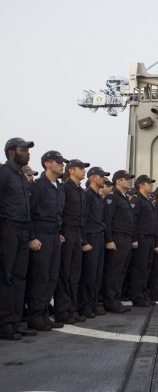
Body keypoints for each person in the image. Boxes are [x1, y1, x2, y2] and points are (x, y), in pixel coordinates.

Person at [27, 150, 67, 332]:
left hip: (53, 235)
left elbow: (57, 214)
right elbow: (31, 213)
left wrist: (57, 232)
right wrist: (32, 237)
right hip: (41, 235)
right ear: (47, 164)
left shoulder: (58, 186)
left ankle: (44, 314)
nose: (62, 165)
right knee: (40, 277)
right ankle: (35, 316)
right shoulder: (39, 186)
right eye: (58, 162)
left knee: (52, 277)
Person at [0, 137, 36, 340]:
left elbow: (28, 210)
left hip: (23, 231)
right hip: (7, 229)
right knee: (6, 277)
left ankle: (15, 321)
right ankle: (4, 323)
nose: (28, 153)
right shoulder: (3, 174)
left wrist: (30, 235)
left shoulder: (22, 178)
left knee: (19, 277)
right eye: (24, 149)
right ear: (11, 152)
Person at [55, 159, 90, 324]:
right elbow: (60, 211)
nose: (84, 171)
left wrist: (82, 238)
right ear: (71, 170)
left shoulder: (80, 191)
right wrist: (60, 232)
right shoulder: (65, 188)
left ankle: (72, 309)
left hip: (78, 233)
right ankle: (62, 311)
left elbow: (83, 218)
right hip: (67, 232)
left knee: (75, 274)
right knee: (65, 273)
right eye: (81, 168)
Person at [102, 170, 137, 313]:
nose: (130, 181)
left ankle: (116, 299)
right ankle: (110, 301)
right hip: (117, 238)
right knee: (114, 271)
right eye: (126, 179)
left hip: (126, 239)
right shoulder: (112, 198)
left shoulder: (123, 198)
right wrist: (109, 239)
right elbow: (107, 220)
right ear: (118, 181)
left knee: (122, 270)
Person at [78, 167, 110, 318]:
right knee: (89, 275)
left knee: (97, 275)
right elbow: (83, 220)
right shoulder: (87, 196)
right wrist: (84, 240)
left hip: (99, 237)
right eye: (101, 176)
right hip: (90, 237)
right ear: (92, 178)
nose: (103, 179)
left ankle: (92, 303)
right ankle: (85, 306)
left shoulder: (98, 197)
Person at [130, 175, 158, 306]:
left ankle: (143, 294)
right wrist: (134, 238)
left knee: (147, 267)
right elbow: (133, 221)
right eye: (149, 183)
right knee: (140, 268)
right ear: (141, 185)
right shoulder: (137, 200)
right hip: (141, 238)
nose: (151, 185)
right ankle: (137, 297)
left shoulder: (147, 201)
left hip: (149, 238)